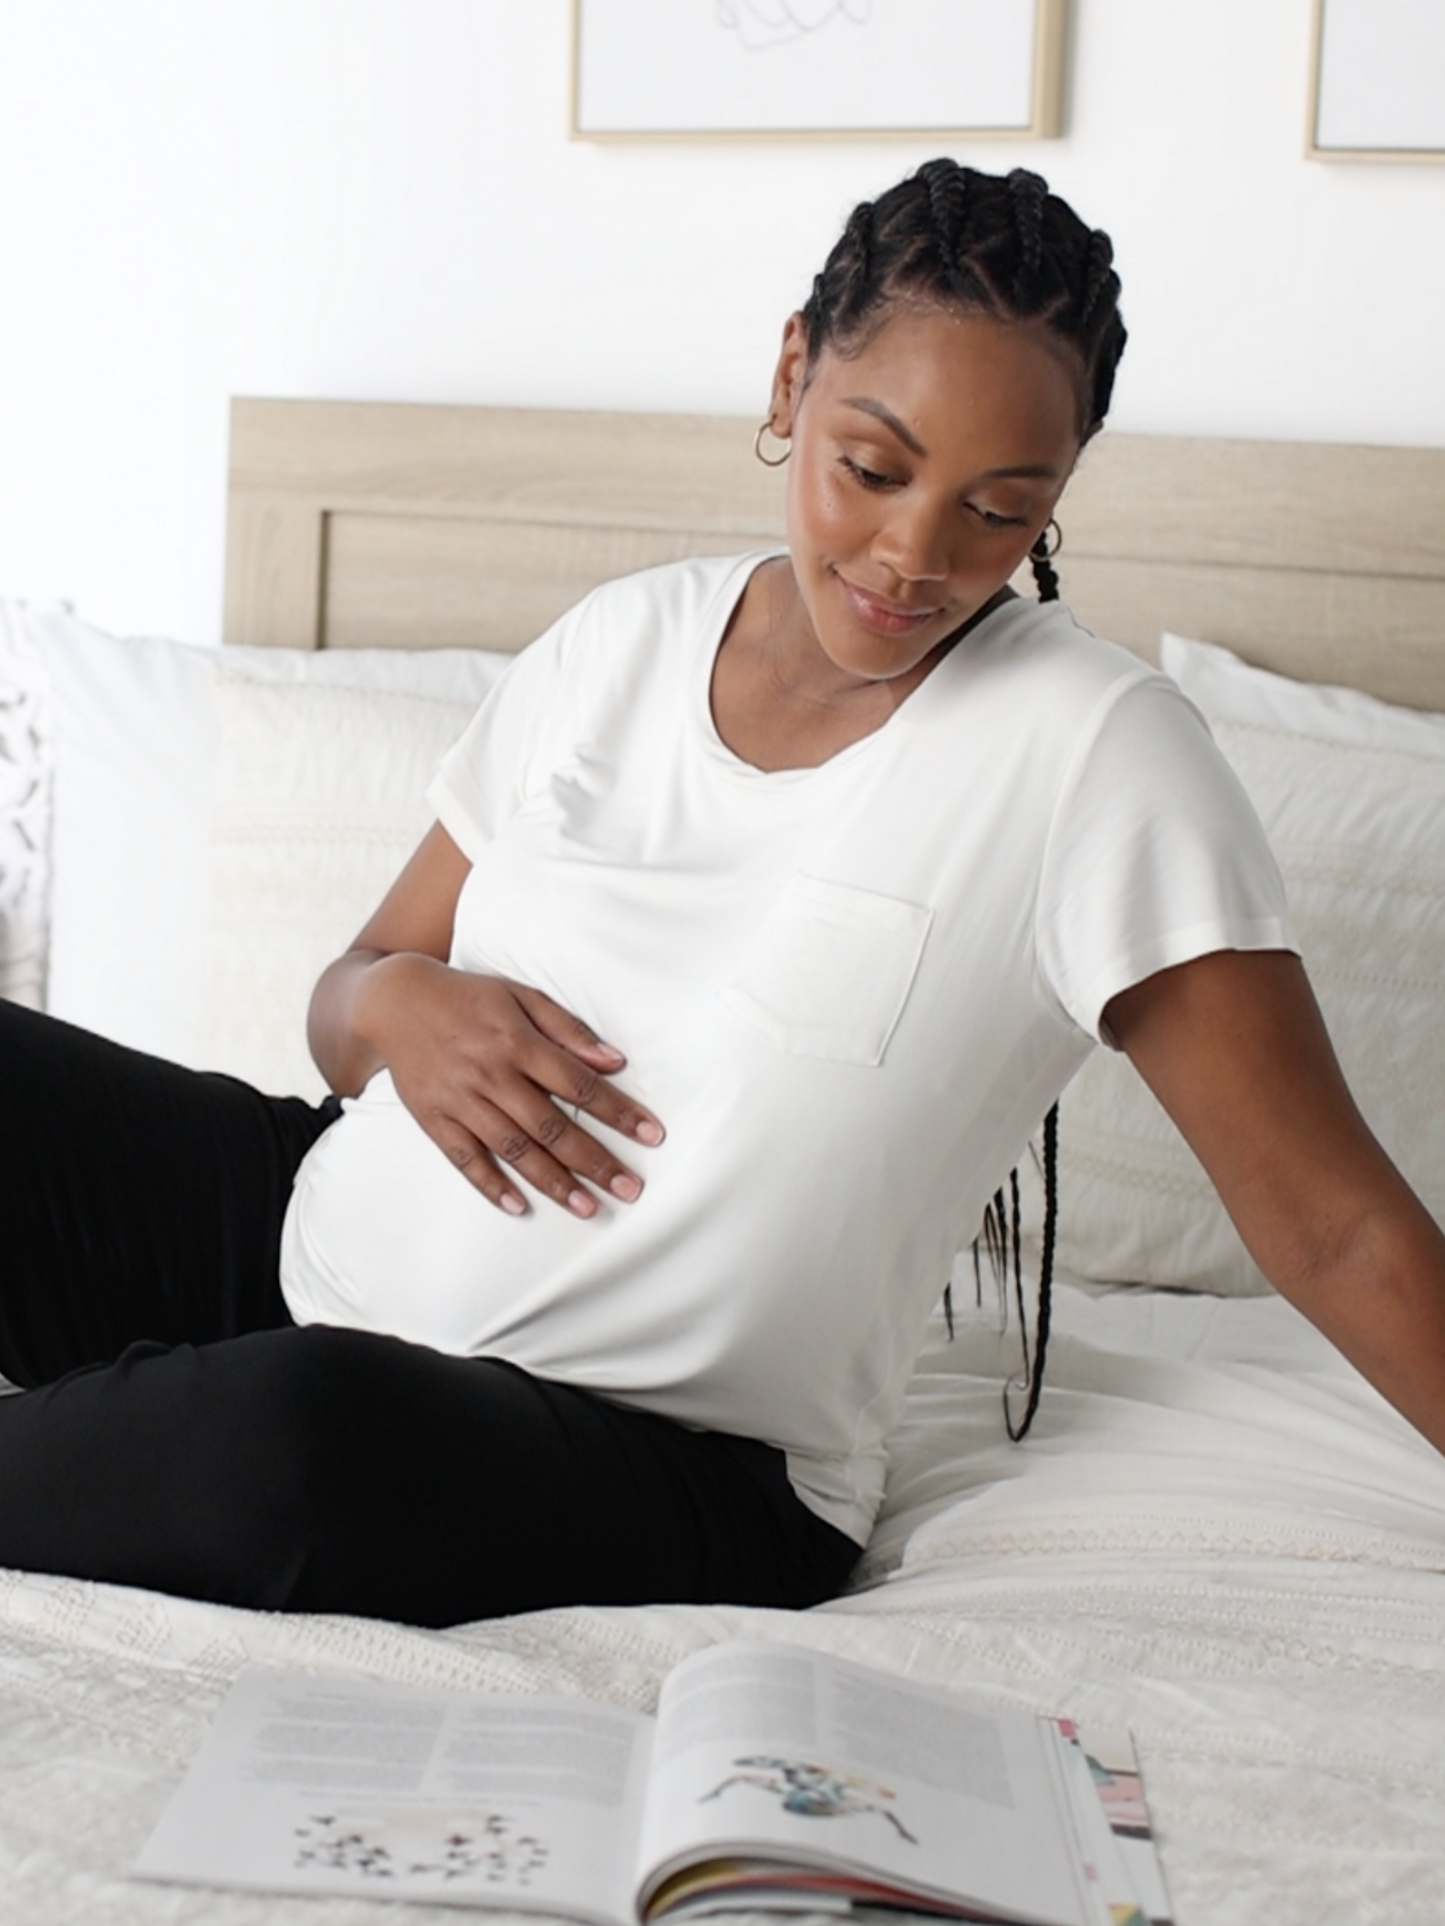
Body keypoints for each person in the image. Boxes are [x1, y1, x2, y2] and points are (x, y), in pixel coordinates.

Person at [4, 161, 1444, 1631]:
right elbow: (349, 994)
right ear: (792, 374)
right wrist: (400, 1005)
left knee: (283, 1437)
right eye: (873, 469)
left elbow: (1336, 1229)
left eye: (1000, 511)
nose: (915, 557)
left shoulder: (1099, 755)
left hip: (660, 1454)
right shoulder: (623, 640)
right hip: (300, 1239)